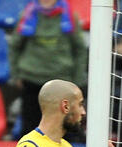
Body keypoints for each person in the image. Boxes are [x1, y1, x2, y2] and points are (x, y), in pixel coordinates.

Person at [8, 0, 87, 138]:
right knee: (30, 129)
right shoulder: (27, 15)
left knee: (63, 129)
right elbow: (15, 46)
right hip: (32, 79)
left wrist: (76, 80)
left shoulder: (69, 16)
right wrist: (16, 75)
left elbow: (80, 49)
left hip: (62, 82)